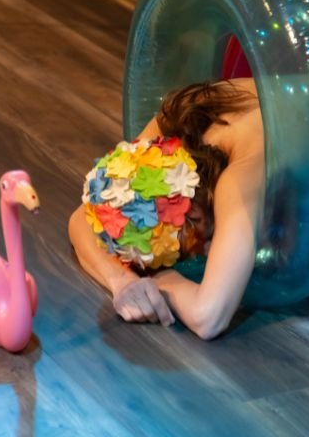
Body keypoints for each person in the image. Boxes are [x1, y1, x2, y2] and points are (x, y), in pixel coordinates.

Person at [68, 78, 264, 340]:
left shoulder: (241, 178)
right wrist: (122, 281)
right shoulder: (171, 129)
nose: (207, 253)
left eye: (186, 250)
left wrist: (160, 277)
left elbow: (208, 317)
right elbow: (81, 218)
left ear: (194, 214)